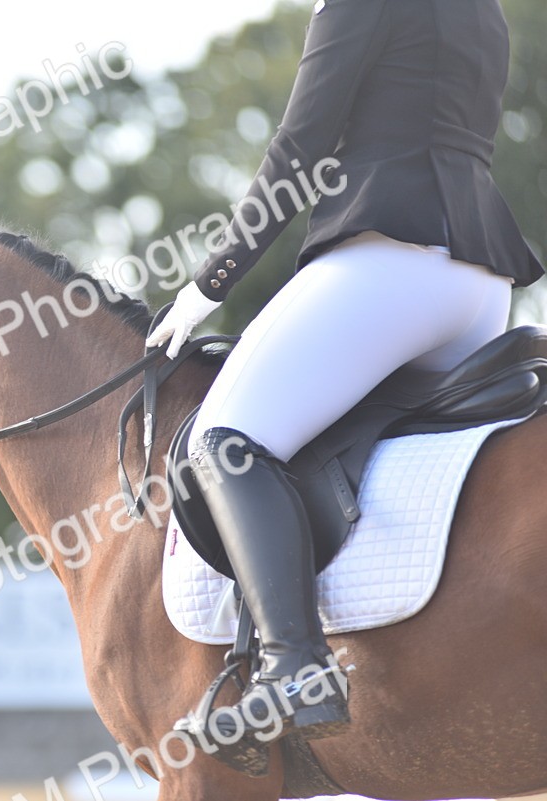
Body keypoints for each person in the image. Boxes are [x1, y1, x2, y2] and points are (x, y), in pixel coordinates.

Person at [145, 0, 543, 776]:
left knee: (223, 442)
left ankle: (295, 668)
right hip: (481, 282)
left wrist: (209, 283)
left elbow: (299, 148)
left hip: (391, 259)